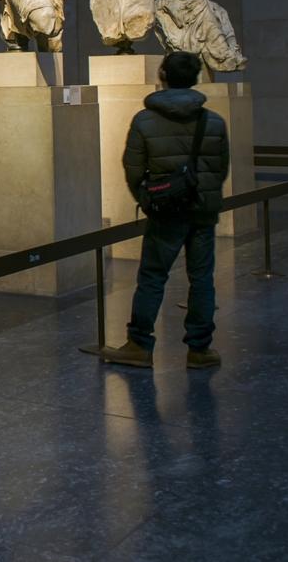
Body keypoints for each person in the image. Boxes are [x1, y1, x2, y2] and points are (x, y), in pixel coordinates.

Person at [100, 51, 229, 370]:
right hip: (202, 211)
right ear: (196, 78)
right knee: (201, 278)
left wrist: (147, 198)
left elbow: (133, 168)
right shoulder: (212, 121)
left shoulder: (144, 120)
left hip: (166, 210)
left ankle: (140, 344)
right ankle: (199, 349)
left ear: (163, 75)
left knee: (152, 276)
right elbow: (220, 168)